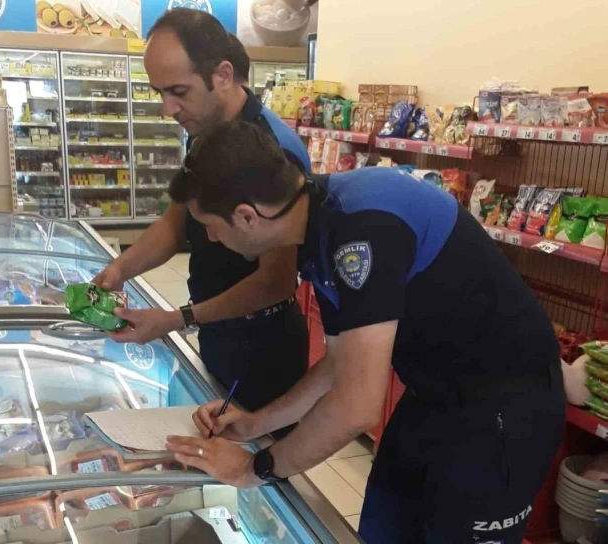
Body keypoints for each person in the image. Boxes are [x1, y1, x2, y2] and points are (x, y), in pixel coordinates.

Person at [164, 120, 566, 544]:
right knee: (382, 530)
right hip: (432, 398)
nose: (209, 238)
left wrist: (254, 468)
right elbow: (340, 363)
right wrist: (253, 424)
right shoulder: (319, 225)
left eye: (209, 225)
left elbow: (357, 407)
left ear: (246, 216)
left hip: (504, 411)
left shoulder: (363, 228)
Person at [93, 9, 310, 434]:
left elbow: (277, 280)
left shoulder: (272, 151)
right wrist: (120, 269)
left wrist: (179, 318)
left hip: (263, 346)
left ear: (223, 75)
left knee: (258, 459)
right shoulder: (205, 131)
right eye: (159, 92)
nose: (167, 108)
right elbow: (176, 223)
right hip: (217, 329)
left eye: (178, 92)